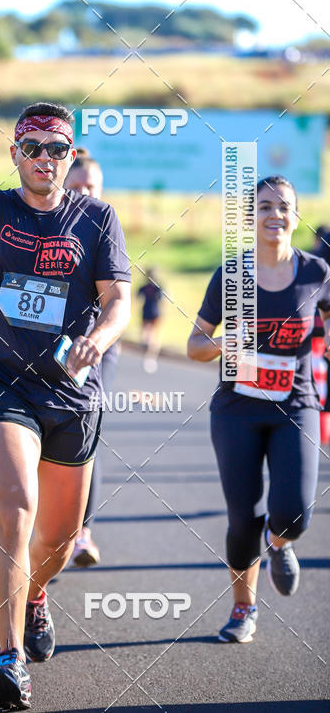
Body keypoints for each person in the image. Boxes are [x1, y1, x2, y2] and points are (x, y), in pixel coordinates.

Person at [0, 65, 131, 710]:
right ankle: (10, 658)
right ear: (16, 152)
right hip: (2, 383)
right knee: (15, 507)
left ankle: (37, 594)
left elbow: (117, 303)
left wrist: (99, 341)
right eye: (34, 148)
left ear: (69, 154)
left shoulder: (98, 218)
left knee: (54, 541)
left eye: (58, 149)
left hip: (71, 395)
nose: (46, 159)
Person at [187, 175, 330, 643]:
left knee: (294, 513)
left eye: (283, 207)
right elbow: (194, 345)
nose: (275, 215)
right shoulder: (231, 275)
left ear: (295, 214)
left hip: (297, 404)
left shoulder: (316, 273)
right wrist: (225, 342)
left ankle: (281, 540)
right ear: (252, 217)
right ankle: (243, 609)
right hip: (237, 410)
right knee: (242, 520)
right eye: (264, 207)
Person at [63, 150, 120, 568]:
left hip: (94, 348)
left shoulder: (107, 227)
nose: (84, 193)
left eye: (92, 188)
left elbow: (118, 300)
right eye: (77, 186)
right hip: (40, 346)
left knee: (86, 431)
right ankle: (43, 524)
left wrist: (94, 342)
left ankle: (82, 532)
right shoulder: (43, 223)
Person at [137, 268, 163, 373]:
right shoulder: (157, 287)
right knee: (150, 335)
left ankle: (149, 357)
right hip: (152, 311)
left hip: (149, 311)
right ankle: (150, 357)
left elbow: (138, 297)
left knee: (149, 335)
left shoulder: (145, 287)